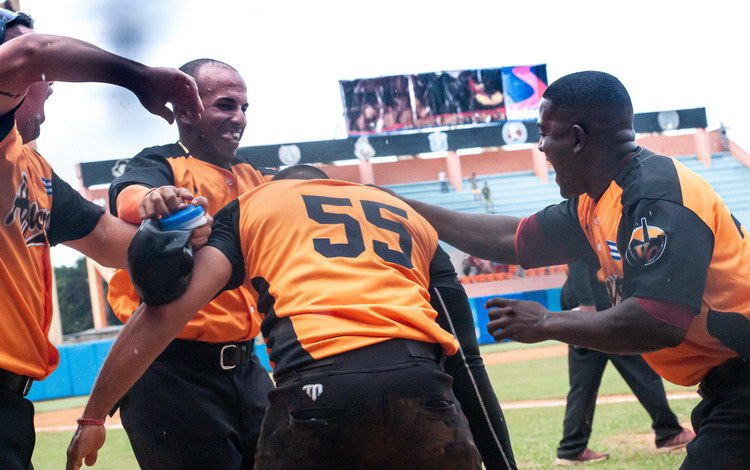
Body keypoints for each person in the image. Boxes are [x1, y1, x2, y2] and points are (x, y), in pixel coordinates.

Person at [377, 71, 750, 469]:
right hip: (726, 389)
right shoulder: (597, 200)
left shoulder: (656, 194)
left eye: (543, 133)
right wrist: (403, 207)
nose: (540, 146)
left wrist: (547, 322)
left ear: (575, 138)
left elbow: (658, 321)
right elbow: (511, 238)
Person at [67, 165, 485, 470]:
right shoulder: (402, 214)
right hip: (425, 388)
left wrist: (93, 415)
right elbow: (467, 360)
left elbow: (163, 314)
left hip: (320, 389)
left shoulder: (255, 205)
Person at [0, 9, 205, 470]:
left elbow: (116, 242)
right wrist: (139, 78)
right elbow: (35, 53)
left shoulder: (33, 170)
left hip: (11, 407)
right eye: (39, 76)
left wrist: (184, 227)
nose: (49, 81)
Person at [105, 58, 274, 470]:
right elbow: (128, 195)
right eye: (225, 105)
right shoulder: (161, 163)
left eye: (243, 108)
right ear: (184, 110)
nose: (239, 118)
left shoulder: (254, 177)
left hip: (248, 369)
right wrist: (152, 198)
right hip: (171, 371)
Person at [554, 261, 693, 466]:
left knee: (583, 384)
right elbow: (577, 258)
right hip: (599, 312)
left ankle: (571, 448)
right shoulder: (589, 230)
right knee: (642, 372)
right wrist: (587, 307)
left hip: (587, 308)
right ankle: (668, 432)